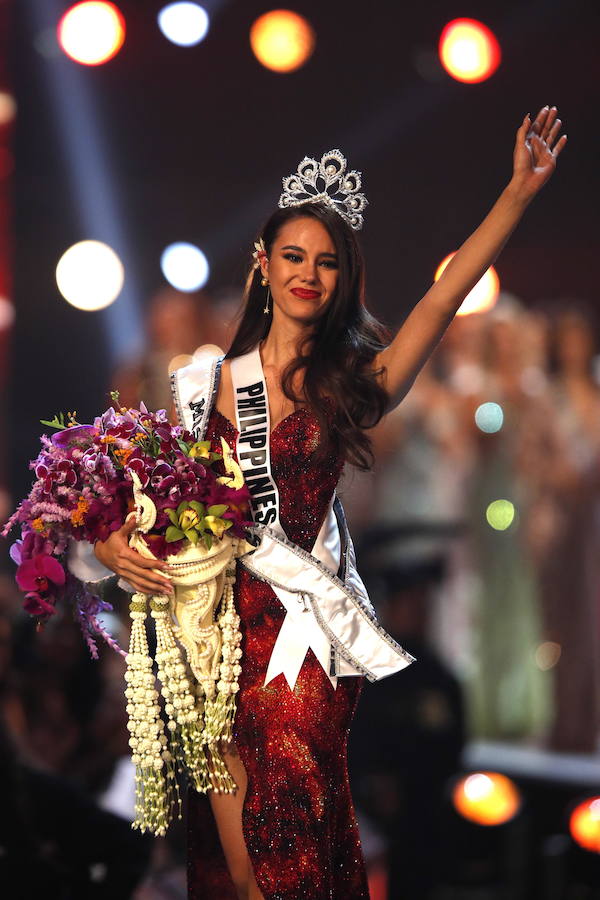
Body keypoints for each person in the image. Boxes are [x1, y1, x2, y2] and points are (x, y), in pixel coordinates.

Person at [93, 106, 566, 899]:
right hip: (210, 642)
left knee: (290, 854)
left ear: (344, 277)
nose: (309, 273)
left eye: (326, 261)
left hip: (299, 644)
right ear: (264, 265)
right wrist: (109, 538)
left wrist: (517, 194)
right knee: (231, 865)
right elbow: (143, 498)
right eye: (293, 256)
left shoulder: (351, 383)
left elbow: (442, 301)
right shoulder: (204, 384)